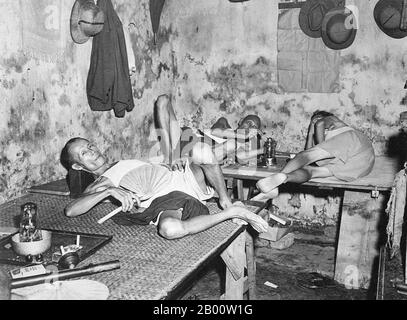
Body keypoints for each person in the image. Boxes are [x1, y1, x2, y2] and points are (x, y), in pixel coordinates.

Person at [60, 137, 268, 239]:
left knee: (204, 151)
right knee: (170, 229)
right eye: (84, 153)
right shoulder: (103, 182)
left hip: (183, 176)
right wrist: (108, 191)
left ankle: (225, 201)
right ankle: (232, 212)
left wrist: (173, 160)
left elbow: (153, 168)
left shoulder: (123, 161)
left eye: (90, 146)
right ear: (78, 166)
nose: (92, 151)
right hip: (167, 199)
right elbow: (71, 210)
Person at [254, 111, 375, 200]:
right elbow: (310, 153)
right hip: (359, 165)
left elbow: (308, 153)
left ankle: (278, 179)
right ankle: (285, 178)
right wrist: (311, 131)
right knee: (310, 171)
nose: (314, 122)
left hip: (355, 141)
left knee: (305, 156)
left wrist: (315, 123)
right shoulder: (333, 136)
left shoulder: (330, 119)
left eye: (315, 119)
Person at [153, 94, 265, 165]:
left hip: (198, 151)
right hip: (186, 135)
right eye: (248, 123)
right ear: (241, 121)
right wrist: (242, 135)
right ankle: (169, 157)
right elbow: (215, 131)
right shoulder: (224, 122)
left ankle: (172, 156)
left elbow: (241, 158)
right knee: (163, 99)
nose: (250, 128)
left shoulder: (240, 143)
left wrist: (262, 149)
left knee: (231, 144)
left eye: (254, 127)